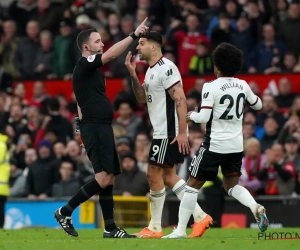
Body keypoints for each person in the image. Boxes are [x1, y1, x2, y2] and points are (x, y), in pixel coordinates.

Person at [54, 18, 149, 238]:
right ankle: (64, 211)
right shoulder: (84, 64)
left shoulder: (92, 73)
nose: (102, 44)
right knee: (103, 178)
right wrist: (133, 35)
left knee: (109, 178)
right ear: (87, 47)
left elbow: (80, 100)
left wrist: (80, 127)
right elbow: (112, 55)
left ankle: (110, 228)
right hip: (95, 127)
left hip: (100, 127)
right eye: (97, 41)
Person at [163, 42, 269, 238]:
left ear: (217, 66)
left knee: (191, 186)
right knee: (232, 185)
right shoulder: (243, 84)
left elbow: (203, 118)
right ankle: (255, 206)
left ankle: (179, 231)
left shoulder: (210, 86)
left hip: (214, 145)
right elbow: (259, 104)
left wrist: (191, 115)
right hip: (236, 146)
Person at [124, 31, 211, 238]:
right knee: (169, 176)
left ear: (154, 46)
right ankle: (200, 216)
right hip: (163, 130)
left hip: (169, 131)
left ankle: (154, 227)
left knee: (153, 174)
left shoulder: (167, 67)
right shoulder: (151, 71)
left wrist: (182, 132)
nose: (138, 47)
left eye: (142, 43)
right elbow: (141, 99)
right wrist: (133, 74)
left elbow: (181, 98)